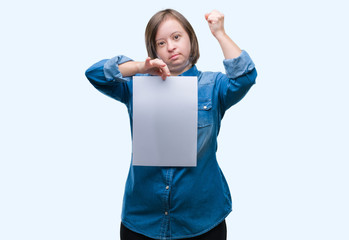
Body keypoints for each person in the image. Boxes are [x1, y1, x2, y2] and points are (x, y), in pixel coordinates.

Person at [85, 9, 257, 240]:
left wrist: (220, 34)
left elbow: (245, 77)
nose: (171, 47)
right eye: (161, 42)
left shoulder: (213, 85)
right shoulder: (136, 86)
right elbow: (95, 74)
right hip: (143, 219)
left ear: (190, 39)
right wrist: (138, 68)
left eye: (177, 37)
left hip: (202, 219)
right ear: (154, 50)